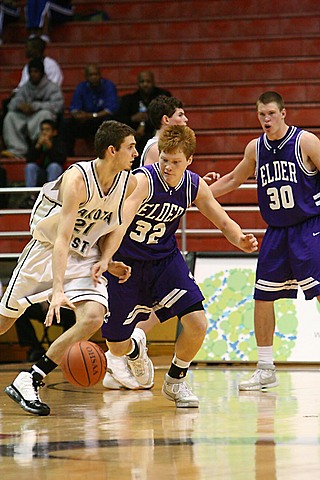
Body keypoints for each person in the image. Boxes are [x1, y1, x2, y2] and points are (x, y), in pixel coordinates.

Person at [92, 125, 258, 407]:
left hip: (164, 261)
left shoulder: (193, 185)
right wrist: (107, 258)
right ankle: (135, 350)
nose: (168, 167)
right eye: (164, 160)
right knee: (116, 345)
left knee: (197, 322)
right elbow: (119, 224)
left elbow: (222, 220)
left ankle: (175, 381)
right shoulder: (143, 181)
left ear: (189, 161)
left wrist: (240, 239)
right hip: (127, 265)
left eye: (176, 162)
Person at [1, 120, 138, 416]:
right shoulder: (77, 178)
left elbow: (116, 226)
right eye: (130, 147)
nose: (135, 153)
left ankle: (31, 378)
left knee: (93, 317)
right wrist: (59, 289)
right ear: (112, 150)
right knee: (4, 322)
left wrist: (106, 259)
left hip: (85, 253)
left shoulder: (129, 182)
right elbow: (62, 238)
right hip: (47, 250)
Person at [206, 91, 320, 391]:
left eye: (271, 113)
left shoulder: (305, 141)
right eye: (261, 115)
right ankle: (266, 367)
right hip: (277, 231)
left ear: (284, 113)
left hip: (309, 226)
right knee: (262, 297)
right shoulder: (256, 148)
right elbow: (232, 179)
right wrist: (197, 194)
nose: (266, 119)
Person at [1, 58, 64, 159]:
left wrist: (35, 106)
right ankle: (17, 151)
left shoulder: (52, 87)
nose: (33, 74)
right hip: (26, 117)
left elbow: (58, 106)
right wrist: (20, 106)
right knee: (10, 116)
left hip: (38, 116)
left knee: (45, 114)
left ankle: (39, 146)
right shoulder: (25, 87)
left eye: (36, 71)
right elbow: (12, 104)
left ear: (42, 72)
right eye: (30, 72)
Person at [115, 70, 171, 167]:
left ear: (153, 82)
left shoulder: (163, 96)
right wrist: (133, 119)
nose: (145, 84)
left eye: (148, 82)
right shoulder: (129, 100)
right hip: (135, 138)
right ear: (138, 83)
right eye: (142, 82)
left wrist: (148, 117)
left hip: (155, 135)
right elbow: (119, 119)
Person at [62, 64, 118, 156]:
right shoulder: (81, 87)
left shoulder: (109, 86)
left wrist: (91, 115)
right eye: (91, 75)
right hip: (85, 121)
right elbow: (74, 109)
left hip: (100, 120)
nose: (94, 77)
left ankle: (108, 155)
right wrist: (78, 115)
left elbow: (110, 110)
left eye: (96, 74)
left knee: (110, 122)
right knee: (66, 124)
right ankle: (68, 155)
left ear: (100, 75)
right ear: (86, 77)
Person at [23, 118, 67, 207]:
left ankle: (51, 197)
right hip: (41, 173)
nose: (44, 132)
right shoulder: (36, 142)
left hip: (55, 174)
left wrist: (50, 147)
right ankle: (31, 196)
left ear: (54, 132)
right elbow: (29, 159)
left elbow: (61, 160)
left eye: (47, 130)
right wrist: (37, 147)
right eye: (42, 130)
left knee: (54, 166)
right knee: (30, 167)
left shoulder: (59, 143)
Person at [140, 95, 188, 166]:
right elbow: (148, 177)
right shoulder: (155, 148)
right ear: (166, 119)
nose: (186, 119)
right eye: (180, 115)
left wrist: (197, 177)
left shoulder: (167, 145)